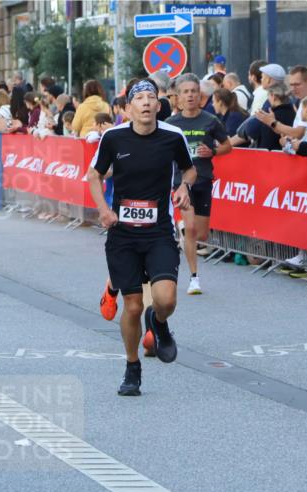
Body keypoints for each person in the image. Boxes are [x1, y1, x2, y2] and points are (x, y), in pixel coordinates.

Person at [87, 79, 196, 396]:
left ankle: (159, 322)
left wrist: (184, 186)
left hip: (159, 231)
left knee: (166, 299)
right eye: (140, 98)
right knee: (132, 307)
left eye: (152, 98)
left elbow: (189, 170)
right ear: (128, 108)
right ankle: (132, 367)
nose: (147, 103)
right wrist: (104, 210)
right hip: (122, 235)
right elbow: (94, 175)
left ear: (160, 106)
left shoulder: (172, 137)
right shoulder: (112, 137)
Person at [167, 74, 231, 297]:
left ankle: (184, 231)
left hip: (204, 180)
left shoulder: (210, 121)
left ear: (200, 95)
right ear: (179, 97)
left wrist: (212, 151)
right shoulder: (171, 124)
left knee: (201, 234)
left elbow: (227, 146)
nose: (191, 95)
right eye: (186, 92)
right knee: (192, 228)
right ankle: (194, 278)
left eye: (194, 91)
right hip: (181, 183)